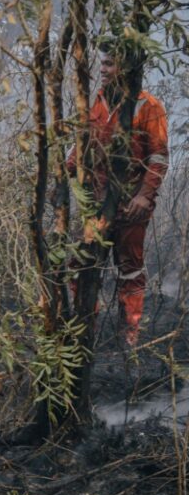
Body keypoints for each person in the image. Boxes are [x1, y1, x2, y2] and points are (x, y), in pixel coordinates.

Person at [67, 39, 169, 346]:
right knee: (81, 265)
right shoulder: (94, 101)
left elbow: (159, 157)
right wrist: (64, 171)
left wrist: (144, 196)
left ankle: (130, 339)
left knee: (129, 270)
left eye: (111, 63)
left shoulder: (147, 106)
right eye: (103, 62)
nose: (104, 68)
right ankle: (86, 330)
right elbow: (80, 149)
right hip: (95, 205)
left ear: (128, 68)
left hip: (131, 207)